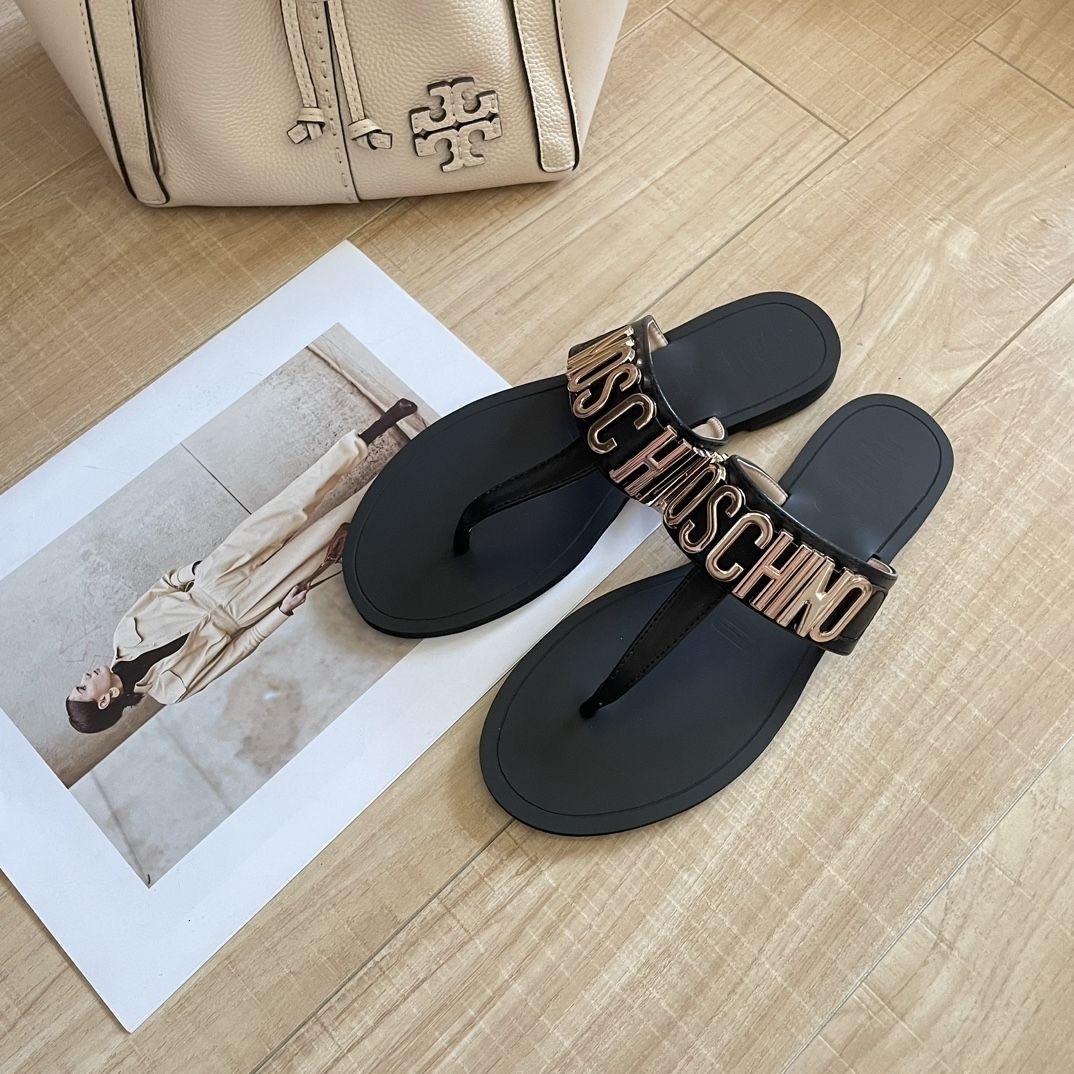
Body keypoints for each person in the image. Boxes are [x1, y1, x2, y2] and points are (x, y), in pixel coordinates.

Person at [66, 401, 416, 733]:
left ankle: (380, 426)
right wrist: (282, 611)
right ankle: (403, 467)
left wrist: (199, 570)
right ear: (104, 701)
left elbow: (165, 584)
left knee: (293, 503)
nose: (84, 677)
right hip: (247, 606)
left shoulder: (123, 635)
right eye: (83, 688)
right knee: (329, 532)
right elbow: (240, 648)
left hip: (217, 573)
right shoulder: (170, 691)